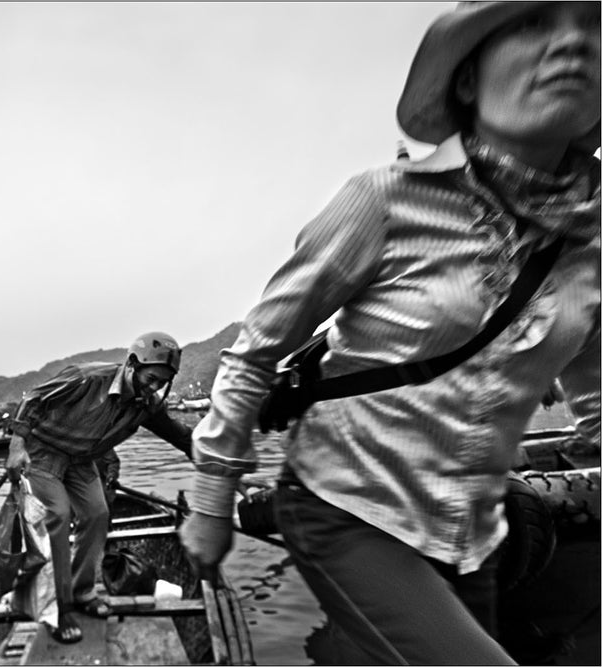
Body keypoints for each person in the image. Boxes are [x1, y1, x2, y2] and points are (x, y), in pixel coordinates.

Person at [180, 2, 600, 664]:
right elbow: (255, 351)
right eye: (533, 25)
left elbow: (598, 399)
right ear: (468, 82)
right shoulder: (382, 200)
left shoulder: (585, 247)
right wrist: (211, 497)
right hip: (347, 504)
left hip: (473, 524)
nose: (572, 46)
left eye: (594, 28)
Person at [5, 331, 194, 644]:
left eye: (161, 382)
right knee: (58, 515)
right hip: (42, 452)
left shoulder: (146, 405)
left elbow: (183, 438)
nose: (154, 387)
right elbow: (34, 398)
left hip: (81, 460)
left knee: (96, 514)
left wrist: (233, 474)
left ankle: (82, 593)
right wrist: (16, 446)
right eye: (151, 378)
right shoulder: (88, 378)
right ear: (132, 364)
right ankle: (59, 608)